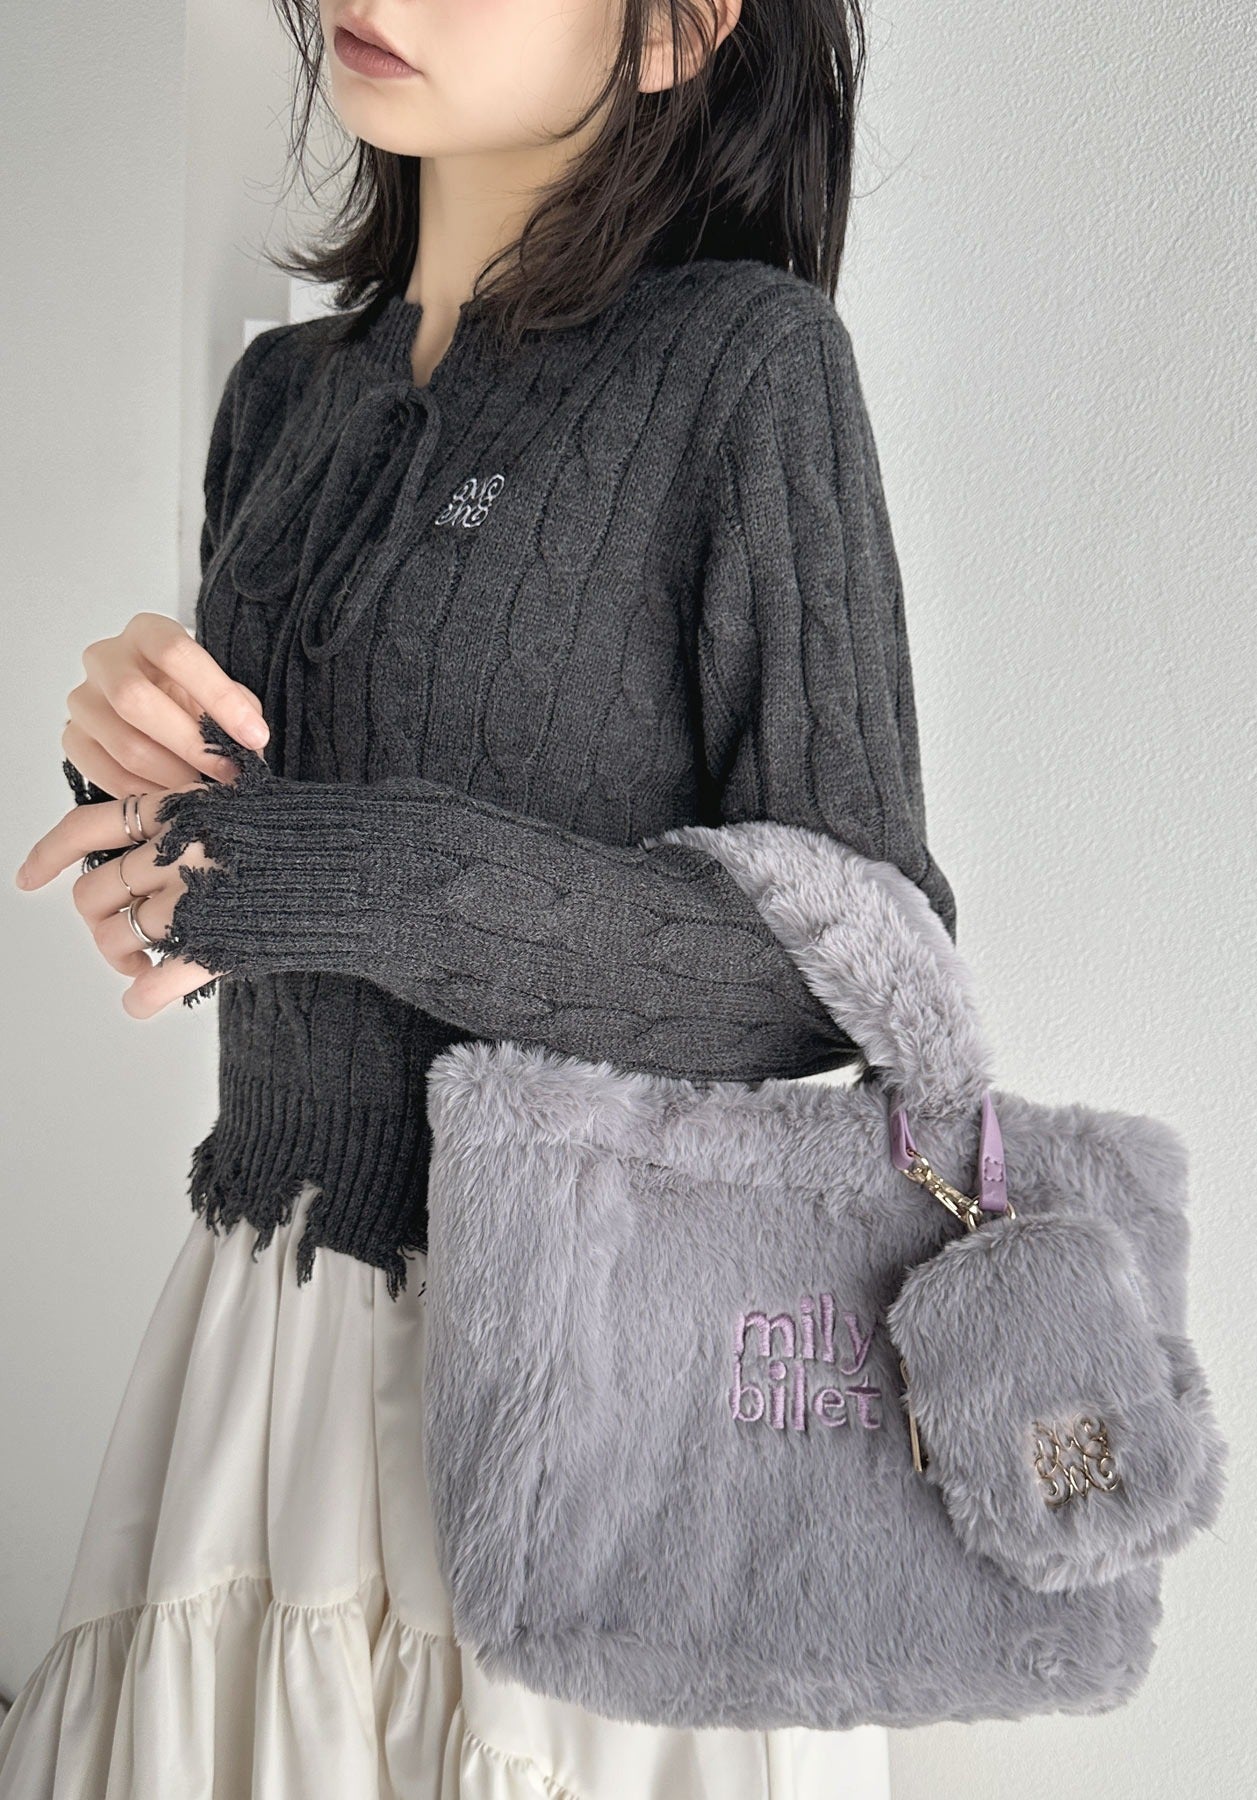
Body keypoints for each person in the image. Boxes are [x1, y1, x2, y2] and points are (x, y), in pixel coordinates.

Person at [1, 0, 958, 1792]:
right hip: (271, 1326)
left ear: (677, 31)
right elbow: (257, 877)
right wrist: (138, 804)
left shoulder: (743, 368)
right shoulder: (282, 398)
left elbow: (850, 970)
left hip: (591, 1388)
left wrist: (368, 872)